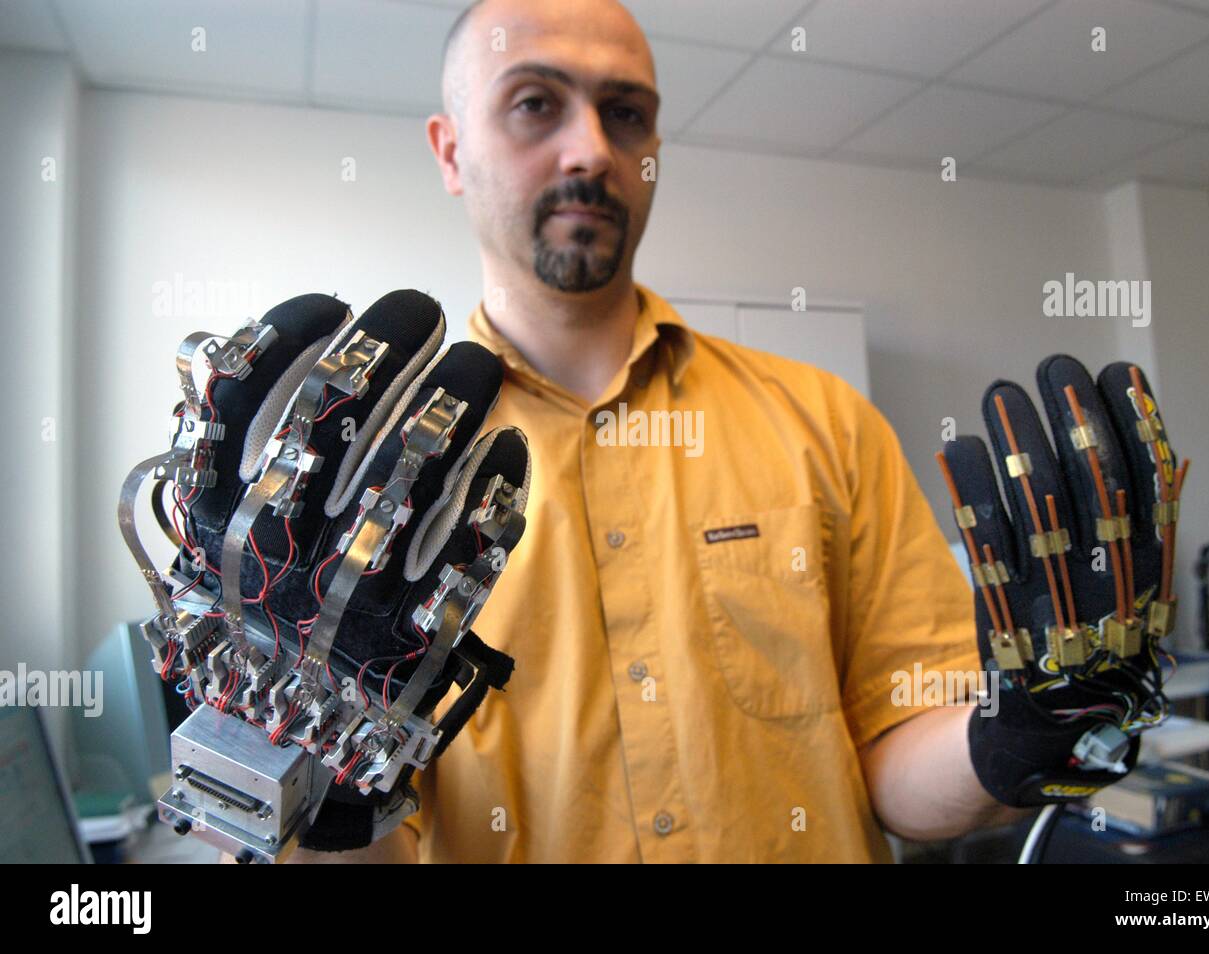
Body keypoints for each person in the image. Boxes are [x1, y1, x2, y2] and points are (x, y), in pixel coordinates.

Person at [294, 0, 1026, 864]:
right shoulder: (384, 475)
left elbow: (895, 759)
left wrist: (1017, 740)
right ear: (451, 150)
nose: (593, 151)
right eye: (535, 102)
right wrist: (306, 766)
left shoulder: (826, 423)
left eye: (626, 114)